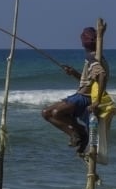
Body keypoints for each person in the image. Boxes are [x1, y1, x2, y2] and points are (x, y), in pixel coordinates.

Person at [41, 26, 109, 155]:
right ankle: (78, 133)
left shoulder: (92, 57)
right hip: (82, 94)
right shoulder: (94, 57)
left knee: (53, 113)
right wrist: (74, 73)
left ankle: (79, 134)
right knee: (47, 113)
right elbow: (90, 81)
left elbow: (102, 76)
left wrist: (97, 102)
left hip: (85, 97)